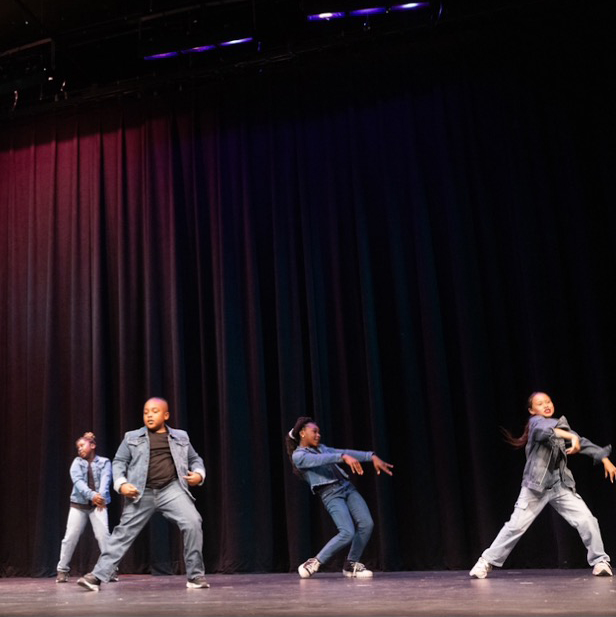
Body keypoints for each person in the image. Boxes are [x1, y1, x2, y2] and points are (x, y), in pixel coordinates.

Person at [470, 391, 616, 579]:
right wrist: (571, 437)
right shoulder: (536, 423)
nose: (546, 405)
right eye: (540, 403)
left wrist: (604, 458)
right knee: (515, 526)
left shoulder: (560, 426)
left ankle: (600, 561)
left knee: (587, 520)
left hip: (559, 485)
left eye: (548, 401)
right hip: (535, 487)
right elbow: (544, 431)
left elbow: (583, 442)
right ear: (532, 410)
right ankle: (485, 561)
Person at [77, 397, 209, 590]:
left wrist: (199, 474)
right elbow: (119, 462)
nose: (149, 415)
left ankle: (195, 576)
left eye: (155, 411)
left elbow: (195, 458)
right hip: (141, 491)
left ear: (166, 415)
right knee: (123, 533)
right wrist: (121, 484)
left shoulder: (181, 436)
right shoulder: (132, 437)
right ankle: (96, 576)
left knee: (193, 522)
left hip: (171, 489)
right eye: (146, 412)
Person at [286, 416, 393, 579]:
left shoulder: (322, 448)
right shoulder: (298, 456)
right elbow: (321, 459)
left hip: (346, 487)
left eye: (319, 432)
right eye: (314, 431)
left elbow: (345, 452)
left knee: (367, 523)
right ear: (302, 433)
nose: (318, 435)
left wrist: (370, 456)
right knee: (347, 532)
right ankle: (315, 562)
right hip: (330, 493)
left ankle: (351, 564)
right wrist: (342, 457)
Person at [56, 432, 115, 583]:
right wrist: (92, 496)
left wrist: (100, 497)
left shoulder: (105, 462)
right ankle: (62, 570)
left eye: (82, 445)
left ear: (93, 446)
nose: (79, 449)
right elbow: (78, 482)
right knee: (70, 537)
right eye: (78, 447)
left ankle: (110, 570)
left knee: (103, 536)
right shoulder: (76, 463)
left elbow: (106, 479)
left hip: (98, 505)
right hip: (79, 506)